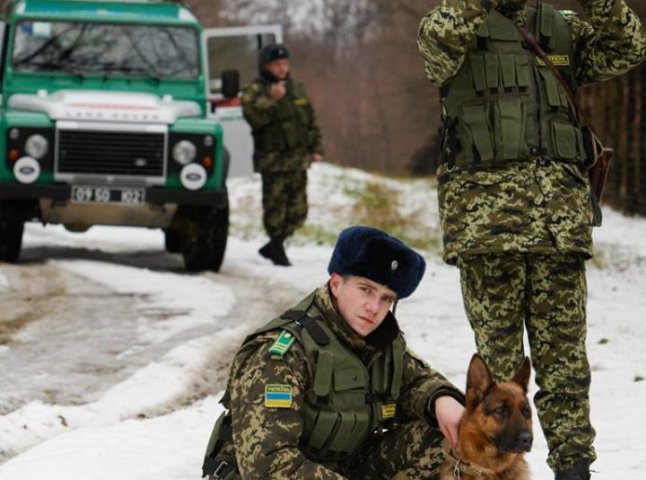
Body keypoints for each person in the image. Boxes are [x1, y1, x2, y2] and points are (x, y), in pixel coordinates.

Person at [417, 1, 646, 479]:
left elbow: (628, 47)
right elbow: (435, 51)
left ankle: (573, 469)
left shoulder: (557, 26)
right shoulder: (456, 18)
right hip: (487, 228)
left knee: (565, 366)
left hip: (557, 227)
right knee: (497, 380)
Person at [202, 226, 465, 479]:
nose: (374, 307)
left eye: (386, 299)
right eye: (366, 289)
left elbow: (416, 380)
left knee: (445, 435)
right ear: (337, 284)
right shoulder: (281, 354)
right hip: (271, 474)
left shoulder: (378, 342)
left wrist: (440, 399)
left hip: (341, 468)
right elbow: (269, 466)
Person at [241, 43, 324, 267]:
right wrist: (272, 100)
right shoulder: (254, 91)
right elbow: (255, 119)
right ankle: (276, 248)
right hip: (273, 161)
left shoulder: (296, 88)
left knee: (298, 210)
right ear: (266, 65)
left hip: (298, 159)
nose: (282, 68)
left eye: (285, 63)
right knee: (275, 208)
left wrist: (316, 148)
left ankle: (273, 246)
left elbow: (310, 121)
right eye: (277, 64)